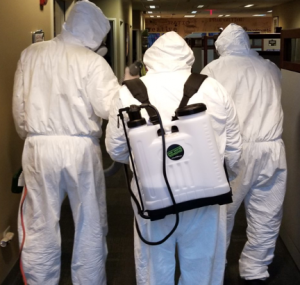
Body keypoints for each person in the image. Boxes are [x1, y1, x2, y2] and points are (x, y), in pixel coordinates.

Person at [105, 31, 242, 285]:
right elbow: (233, 147)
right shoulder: (213, 87)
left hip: (153, 197)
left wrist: (145, 166)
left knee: (154, 268)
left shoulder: (128, 93)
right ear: (188, 59)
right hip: (205, 196)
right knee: (202, 267)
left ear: (149, 60)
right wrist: (224, 178)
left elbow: (116, 149)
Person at [12, 1, 130, 284]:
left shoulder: (31, 54)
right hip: (81, 148)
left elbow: (19, 108)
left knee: (39, 222)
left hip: (39, 147)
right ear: (94, 33)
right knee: (90, 222)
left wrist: (29, 138)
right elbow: (110, 109)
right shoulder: (93, 62)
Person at [201, 23, 287, 285]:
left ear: (221, 46)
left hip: (233, 151)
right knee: (267, 213)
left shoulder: (213, 70)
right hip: (272, 150)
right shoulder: (269, 67)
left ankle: (214, 267)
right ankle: (255, 270)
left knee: (221, 214)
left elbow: (205, 113)